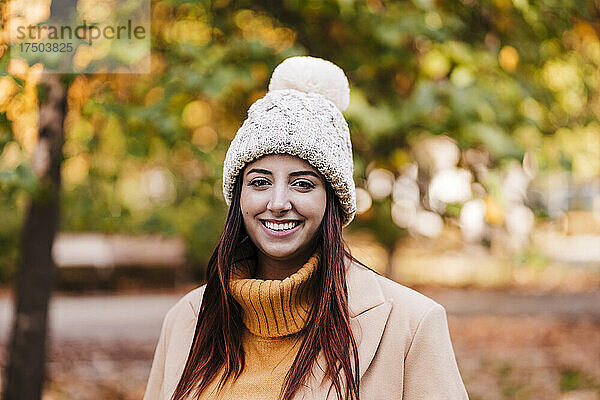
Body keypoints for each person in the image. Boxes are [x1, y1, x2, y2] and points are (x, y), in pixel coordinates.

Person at [143, 56, 469, 400]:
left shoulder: (410, 324)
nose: (278, 202)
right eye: (259, 182)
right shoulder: (188, 320)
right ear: (239, 195)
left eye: (302, 184)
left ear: (333, 199)